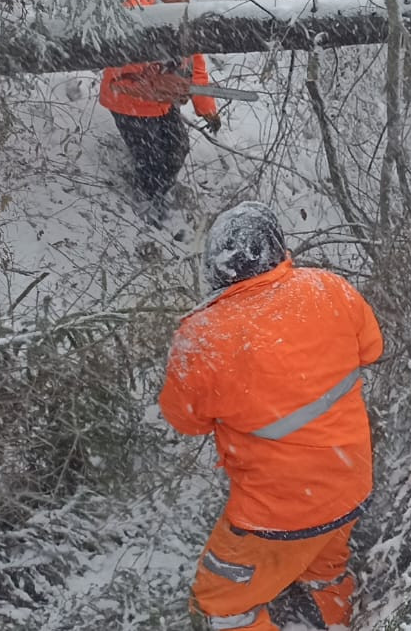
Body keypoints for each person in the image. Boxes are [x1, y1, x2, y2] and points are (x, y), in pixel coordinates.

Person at [159, 202, 382, 630]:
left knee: (220, 607)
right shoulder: (329, 288)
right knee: (324, 572)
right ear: (277, 248)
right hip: (349, 482)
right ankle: (339, 621)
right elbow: (371, 349)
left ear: (216, 268)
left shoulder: (202, 336)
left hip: (277, 513)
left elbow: (184, 419)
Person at [99, 0, 221, 220]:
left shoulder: (184, 20)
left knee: (177, 148)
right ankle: (146, 199)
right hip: (127, 101)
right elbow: (119, 70)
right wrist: (156, 80)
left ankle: (160, 191)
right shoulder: (136, 12)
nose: (182, 1)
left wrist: (207, 108)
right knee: (151, 156)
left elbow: (196, 67)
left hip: (163, 103)